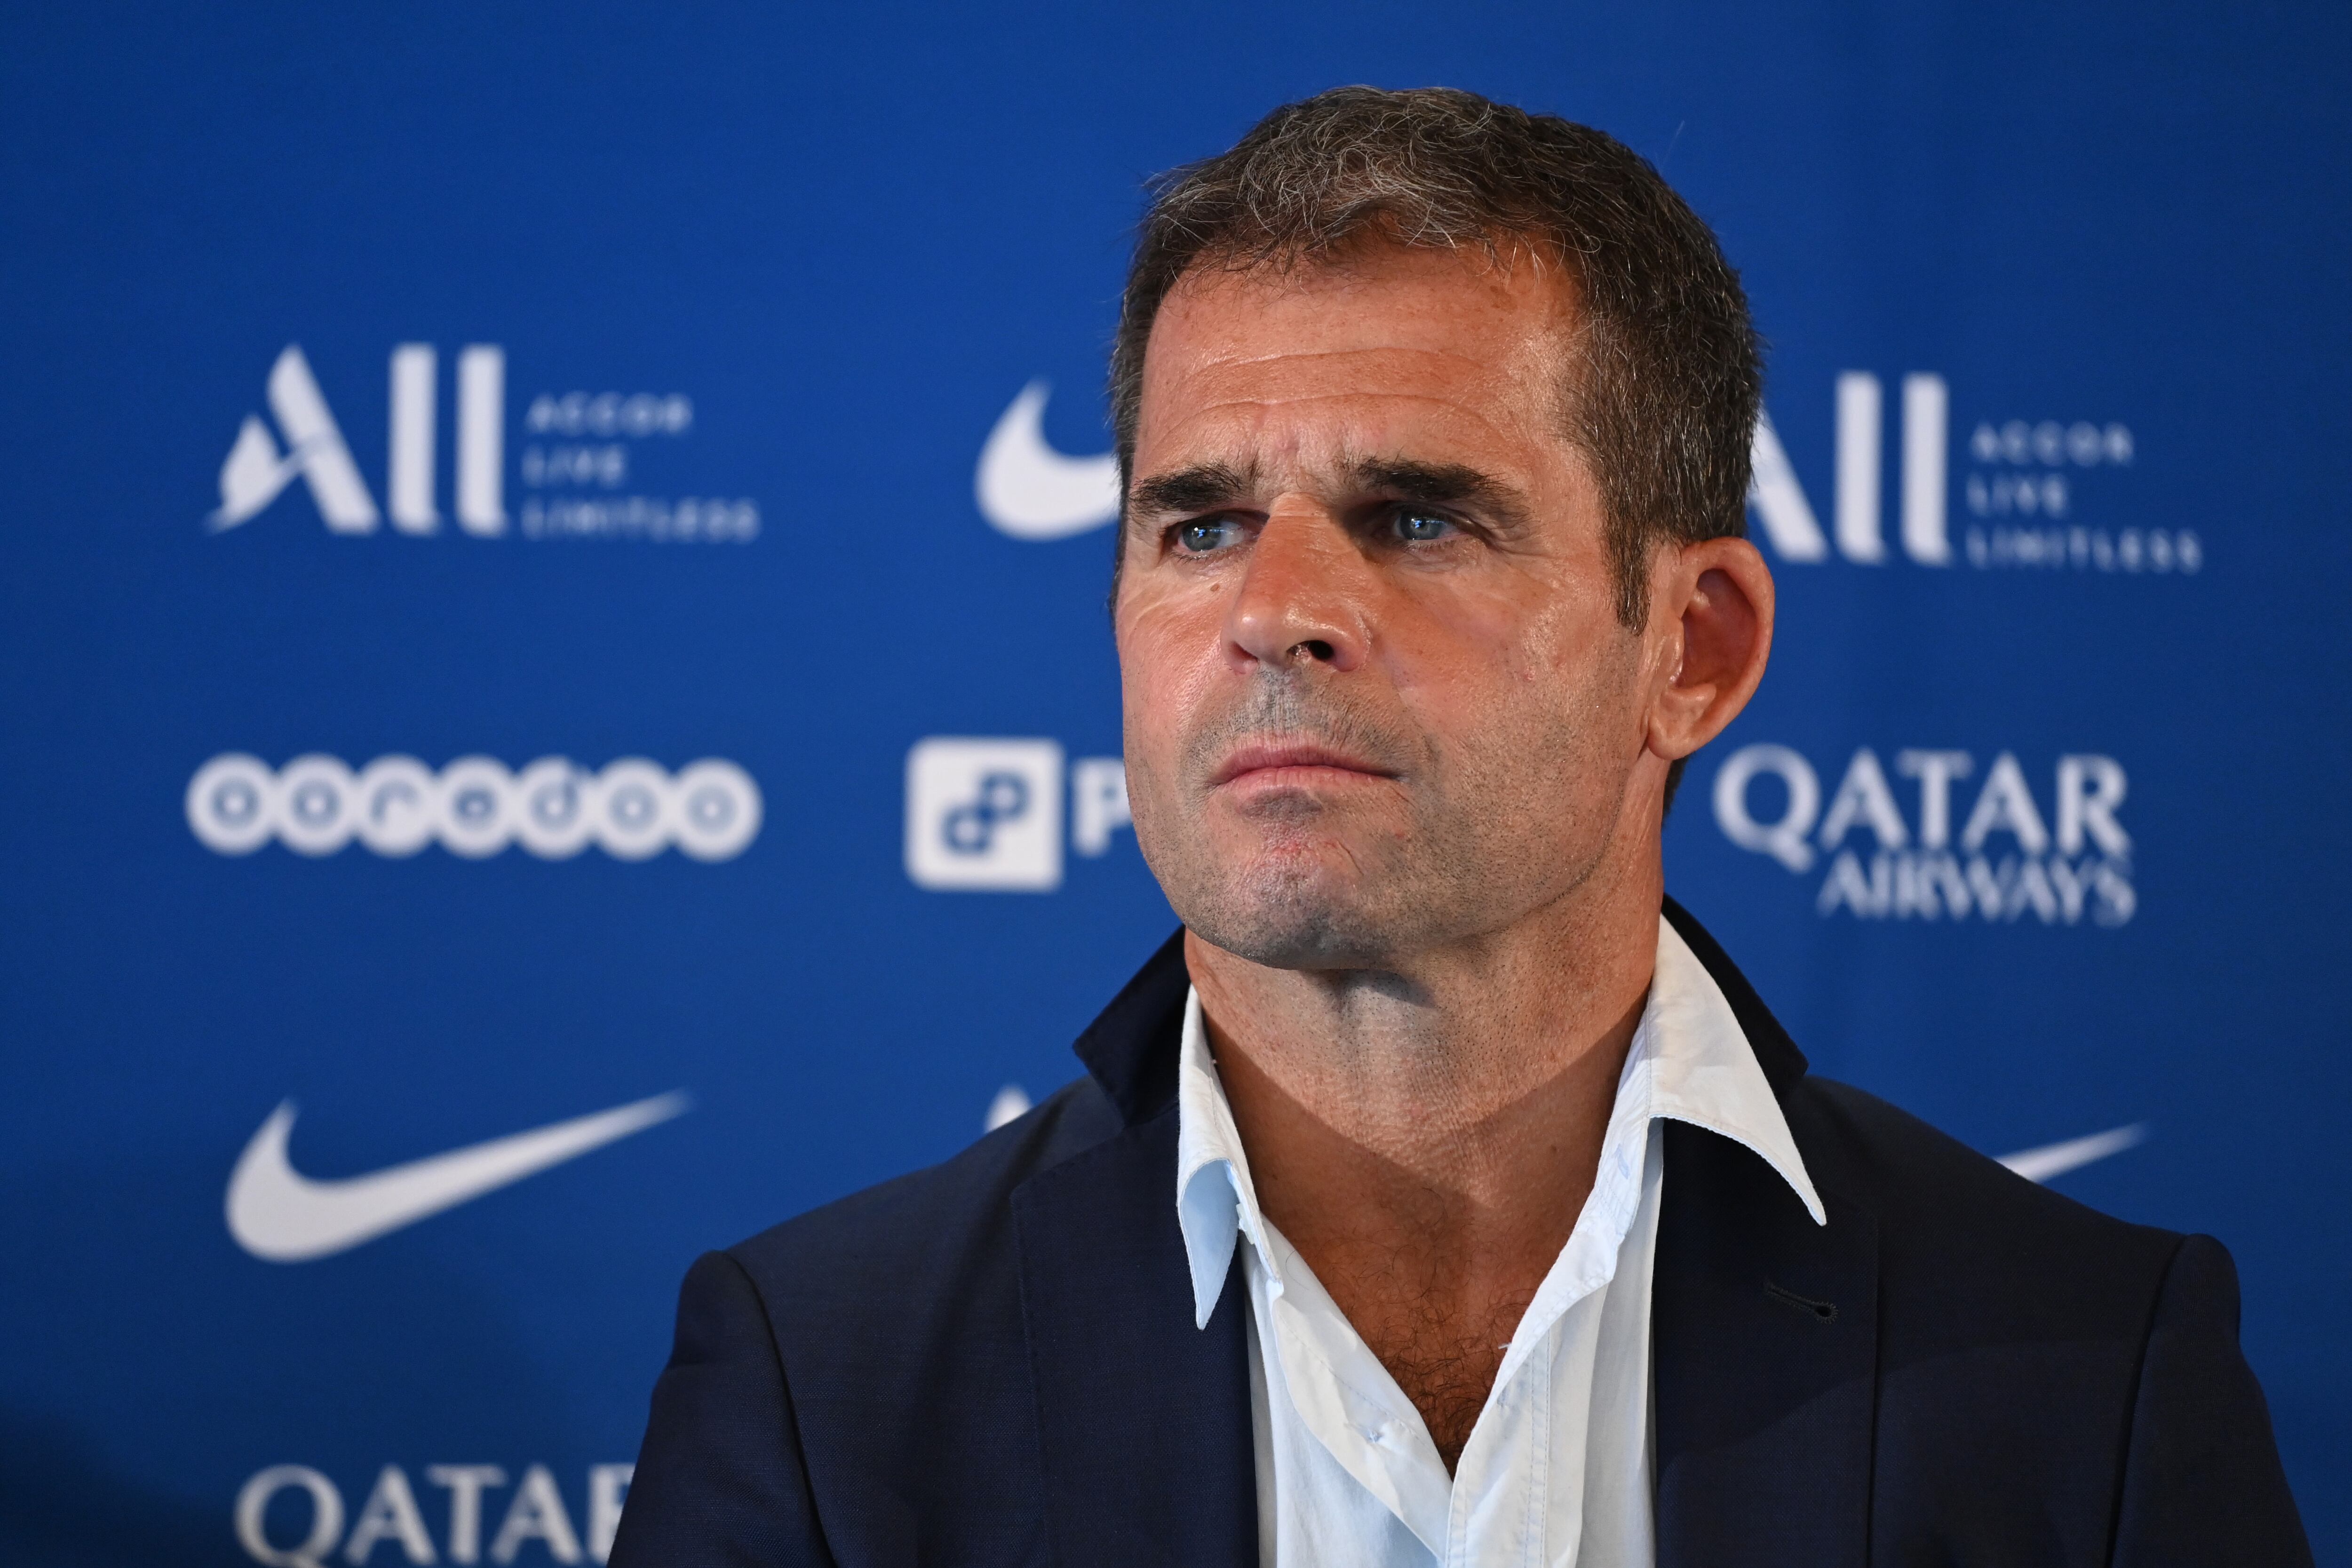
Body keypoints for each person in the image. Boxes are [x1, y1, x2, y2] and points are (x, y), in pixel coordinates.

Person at [610, 87, 2308, 1566]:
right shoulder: (815, 1388)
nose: (1276, 610)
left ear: (1692, 650)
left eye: (1417, 516)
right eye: (1199, 527)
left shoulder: (2092, 1369)